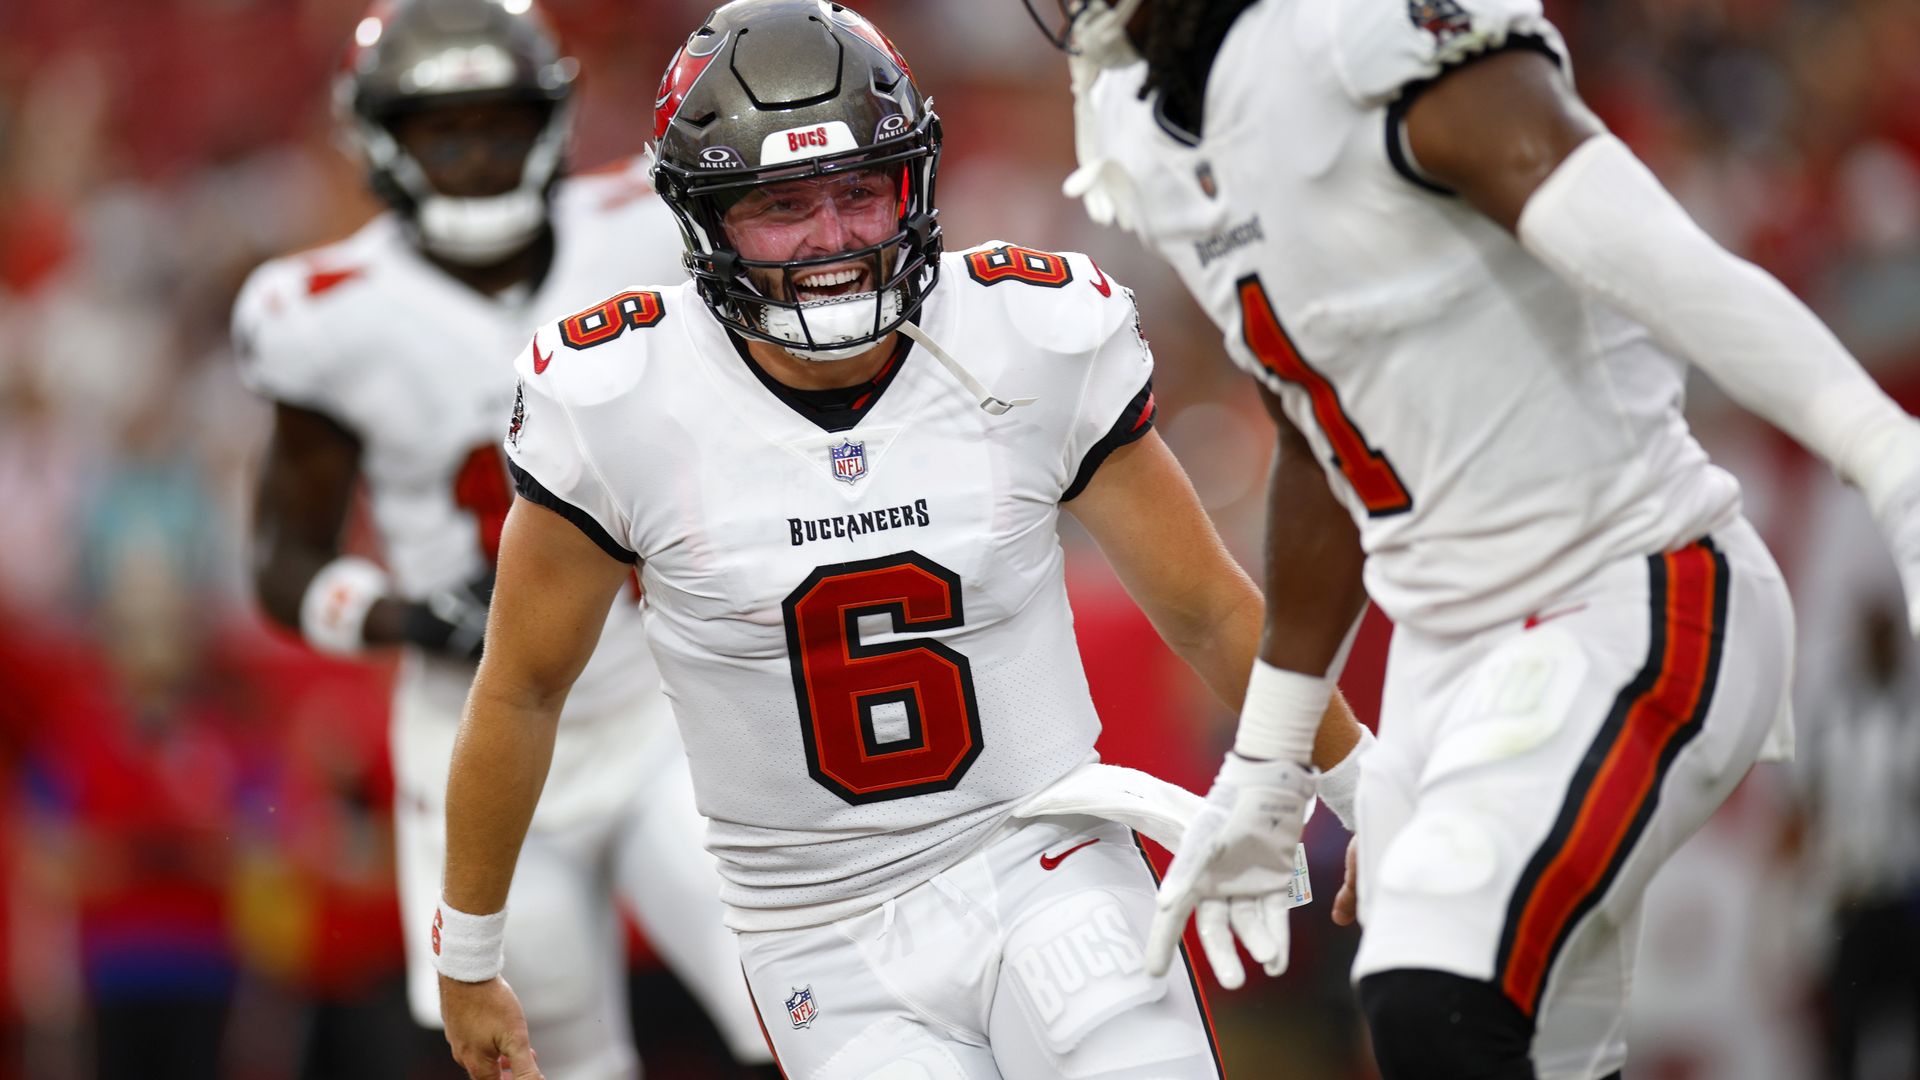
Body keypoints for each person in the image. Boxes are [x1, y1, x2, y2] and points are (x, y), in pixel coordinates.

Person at [430, 2, 1368, 1077]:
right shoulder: (619, 399)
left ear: (913, 183)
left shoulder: (1024, 337)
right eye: (782, 205)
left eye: (860, 191)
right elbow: (522, 690)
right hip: (821, 934)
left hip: (1042, 858)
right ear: (703, 215)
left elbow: (1205, 604)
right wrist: (470, 953)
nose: (831, 238)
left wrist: (1365, 789)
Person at [1030, 0, 1920, 1077]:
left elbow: (1663, 254)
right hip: (1445, 655)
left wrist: (1883, 451)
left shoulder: (1358, 38)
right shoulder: (1147, 116)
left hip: (1631, 587)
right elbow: (1323, 422)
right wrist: (1268, 757)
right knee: (1501, 1049)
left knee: (1432, 996)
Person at [231, 1, 773, 1075]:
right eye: (443, 128)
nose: (476, 153)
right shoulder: (324, 311)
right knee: (545, 1055)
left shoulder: (642, 225)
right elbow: (282, 562)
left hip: (659, 700)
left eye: (499, 120)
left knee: (788, 996)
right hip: (476, 731)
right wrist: (400, 614)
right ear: (383, 138)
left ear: (551, 119)